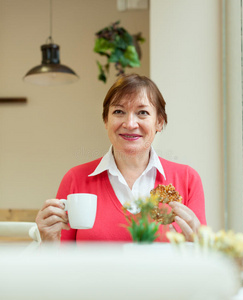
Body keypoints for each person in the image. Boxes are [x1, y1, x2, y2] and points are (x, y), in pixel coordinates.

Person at [36, 74, 206, 243]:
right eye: (119, 111)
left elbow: (202, 265)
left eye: (142, 112)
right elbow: (60, 264)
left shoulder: (187, 180)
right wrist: (48, 242)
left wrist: (198, 244)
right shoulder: (76, 179)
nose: (130, 124)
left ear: (159, 122)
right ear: (106, 120)